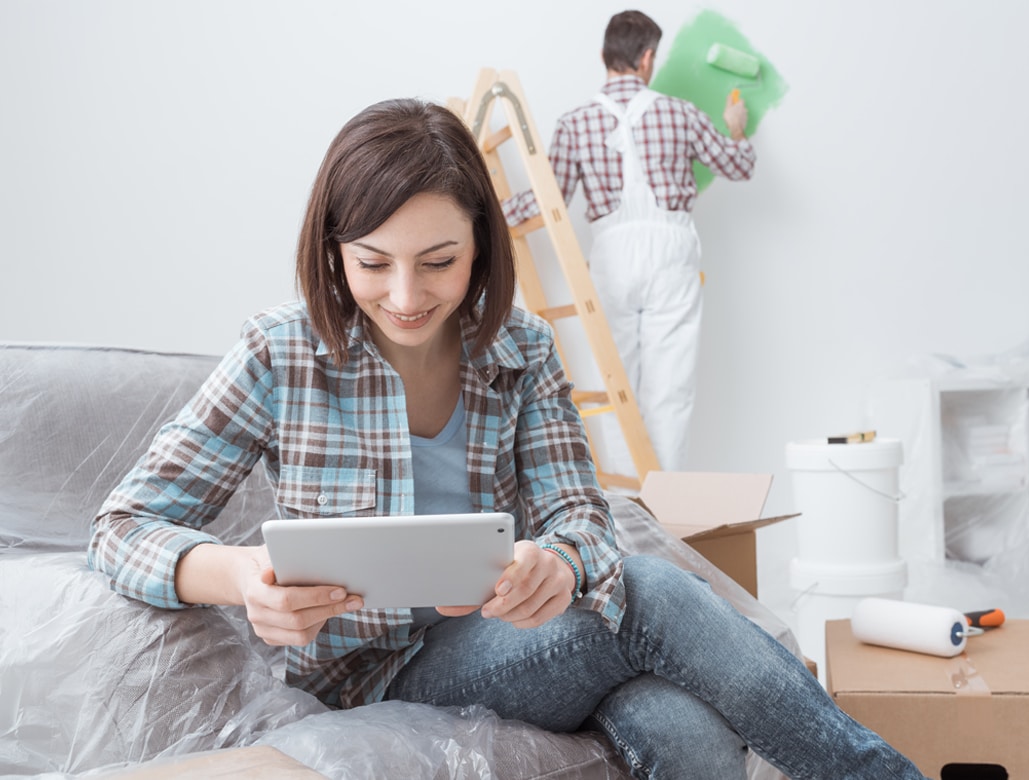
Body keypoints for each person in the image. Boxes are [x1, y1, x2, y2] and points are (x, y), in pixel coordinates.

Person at [89, 97, 924, 780]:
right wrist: (239, 576)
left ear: (482, 248)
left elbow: (582, 520)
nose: (407, 295)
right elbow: (122, 527)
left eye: (439, 261)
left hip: (503, 642)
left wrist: (555, 564)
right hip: (367, 674)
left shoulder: (522, 350)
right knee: (651, 595)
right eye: (373, 263)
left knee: (680, 725)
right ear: (333, 249)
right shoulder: (280, 353)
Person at [503, 10, 755, 473]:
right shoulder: (680, 113)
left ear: (604, 56)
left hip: (612, 256)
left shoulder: (575, 122)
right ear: (647, 58)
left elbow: (547, 200)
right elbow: (740, 166)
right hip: (671, 253)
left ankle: (625, 506)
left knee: (615, 384)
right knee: (670, 391)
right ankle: (668, 507)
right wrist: (736, 125)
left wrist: (492, 215)